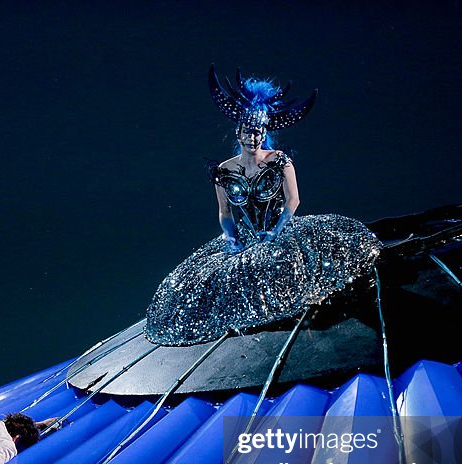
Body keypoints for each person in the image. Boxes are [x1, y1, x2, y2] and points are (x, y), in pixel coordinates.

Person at [144, 66, 382, 346]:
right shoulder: (223, 170)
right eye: (248, 132)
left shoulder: (279, 161)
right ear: (238, 132)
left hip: (280, 233)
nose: (252, 137)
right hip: (243, 242)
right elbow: (224, 212)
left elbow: (294, 200)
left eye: (258, 132)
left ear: (263, 133)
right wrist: (231, 238)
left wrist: (277, 230)